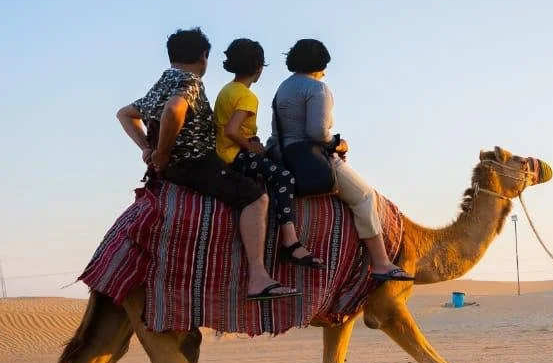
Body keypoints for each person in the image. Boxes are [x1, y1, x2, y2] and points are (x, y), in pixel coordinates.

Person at [116, 28, 299, 301]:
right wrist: (162, 153)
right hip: (195, 163)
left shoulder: (164, 81)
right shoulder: (189, 82)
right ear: (204, 57)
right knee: (256, 199)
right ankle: (259, 278)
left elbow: (125, 114)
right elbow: (175, 109)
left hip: (180, 164)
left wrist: (146, 147)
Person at [270, 39, 412, 282]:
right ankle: (381, 262)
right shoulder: (317, 89)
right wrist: (337, 143)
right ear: (320, 64)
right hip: (306, 154)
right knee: (365, 196)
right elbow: (317, 131)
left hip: (277, 151)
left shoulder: (284, 87)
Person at [214, 39, 322, 270]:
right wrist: (251, 146)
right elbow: (232, 130)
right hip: (235, 155)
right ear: (258, 68)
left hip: (224, 151)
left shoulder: (227, 90)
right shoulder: (247, 97)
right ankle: (290, 241)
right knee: (284, 177)